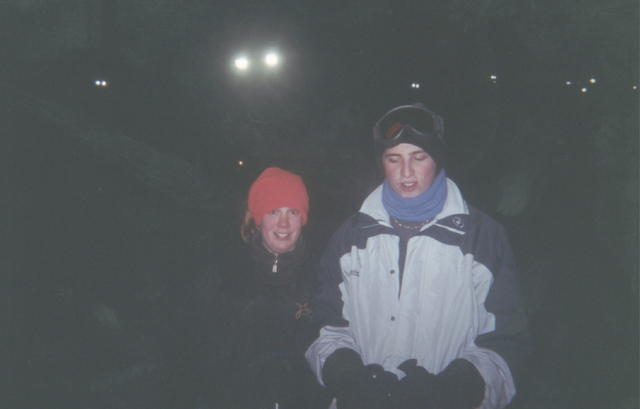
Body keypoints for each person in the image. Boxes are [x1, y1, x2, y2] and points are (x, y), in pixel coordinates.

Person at [305, 103, 530, 409]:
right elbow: (325, 326)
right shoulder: (351, 237)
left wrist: (455, 389)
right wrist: (347, 377)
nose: (406, 172)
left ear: (436, 158)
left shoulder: (483, 239)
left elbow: (506, 343)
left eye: (419, 157)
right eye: (393, 159)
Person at [197, 166, 329, 409]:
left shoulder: (322, 274)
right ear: (258, 218)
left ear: (303, 218)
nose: (283, 223)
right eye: (273, 211)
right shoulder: (225, 274)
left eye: (292, 212)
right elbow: (202, 352)